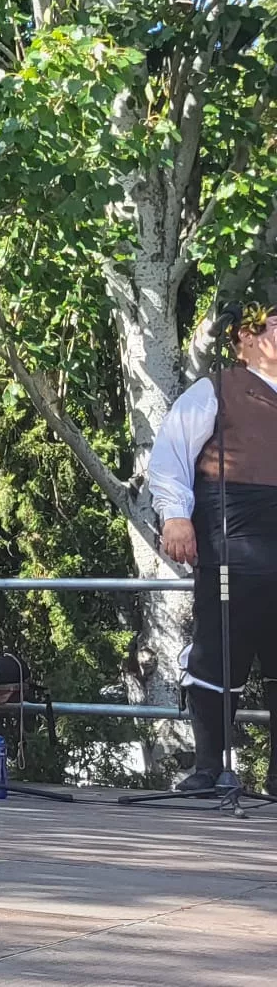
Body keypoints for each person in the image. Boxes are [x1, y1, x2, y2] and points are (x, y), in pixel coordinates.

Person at [151, 299, 277, 792]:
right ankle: (210, 769)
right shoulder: (215, 391)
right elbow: (169, 458)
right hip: (235, 541)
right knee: (220, 653)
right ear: (245, 338)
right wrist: (177, 517)